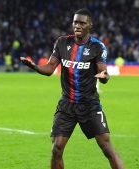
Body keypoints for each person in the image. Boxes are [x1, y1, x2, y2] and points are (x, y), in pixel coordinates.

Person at [20, 9, 124, 169]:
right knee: (56, 148)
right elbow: (49, 69)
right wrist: (34, 66)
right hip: (67, 105)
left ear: (90, 25)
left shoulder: (97, 46)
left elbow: (103, 71)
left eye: (82, 23)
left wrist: (105, 76)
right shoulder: (62, 42)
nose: (77, 25)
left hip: (89, 105)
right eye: (75, 22)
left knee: (106, 147)